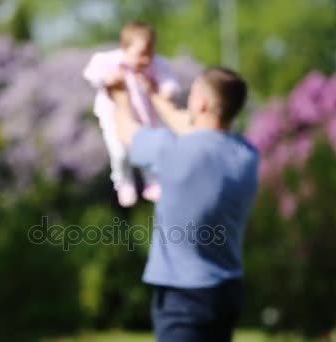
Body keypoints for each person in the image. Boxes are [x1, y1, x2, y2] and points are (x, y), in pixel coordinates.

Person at [107, 67, 258, 341]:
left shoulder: (174, 151)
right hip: (226, 291)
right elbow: (196, 129)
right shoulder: (246, 155)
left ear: (201, 103)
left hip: (182, 295)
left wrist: (119, 96)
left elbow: (126, 132)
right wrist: (153, 95)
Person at [83, 22, 180, 208]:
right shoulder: (111, 61)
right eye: (142, 54)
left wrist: (166, 91)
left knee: (149, 151)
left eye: (150, 53)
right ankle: (123, 182)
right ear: (125, 49)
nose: (146, 59)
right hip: (114, 118)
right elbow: (91, 72)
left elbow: (168, 79)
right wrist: (107, 79)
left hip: (145, 118)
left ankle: (153, 182)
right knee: (119, 153)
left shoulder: (155, 64)